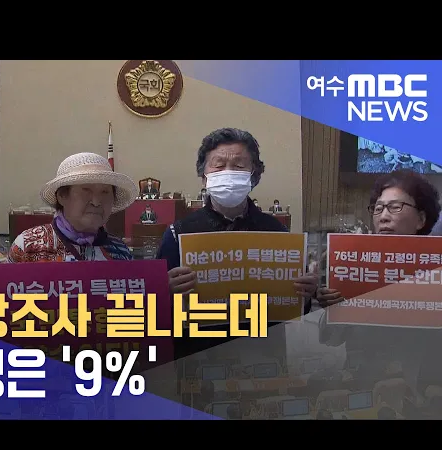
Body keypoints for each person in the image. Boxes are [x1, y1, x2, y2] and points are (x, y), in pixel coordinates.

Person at [156, 127, 318, 358]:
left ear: (254, 175)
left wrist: (306, 294)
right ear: (204, 176)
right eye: (219, 165)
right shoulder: (178, 233)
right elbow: (156, 308)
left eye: (239, 165)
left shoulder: (277, 232)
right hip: (198, 356)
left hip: (262, 355)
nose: (228, 172)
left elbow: (295, 307)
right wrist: (164, 290)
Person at [317, 170, 442, 394]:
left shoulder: (436, 270)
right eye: (378, 208)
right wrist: (334, 306)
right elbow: (330, 339)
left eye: (395, 207)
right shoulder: (357, 267)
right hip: (361, 391)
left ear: (421, 219)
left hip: (421, 394)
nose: (383, 216)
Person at [8, 152, 137, 263]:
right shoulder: (28, 246)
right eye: (86, 190)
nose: (96, 202)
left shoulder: (120, 251)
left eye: (105, 192)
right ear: (62, 196)